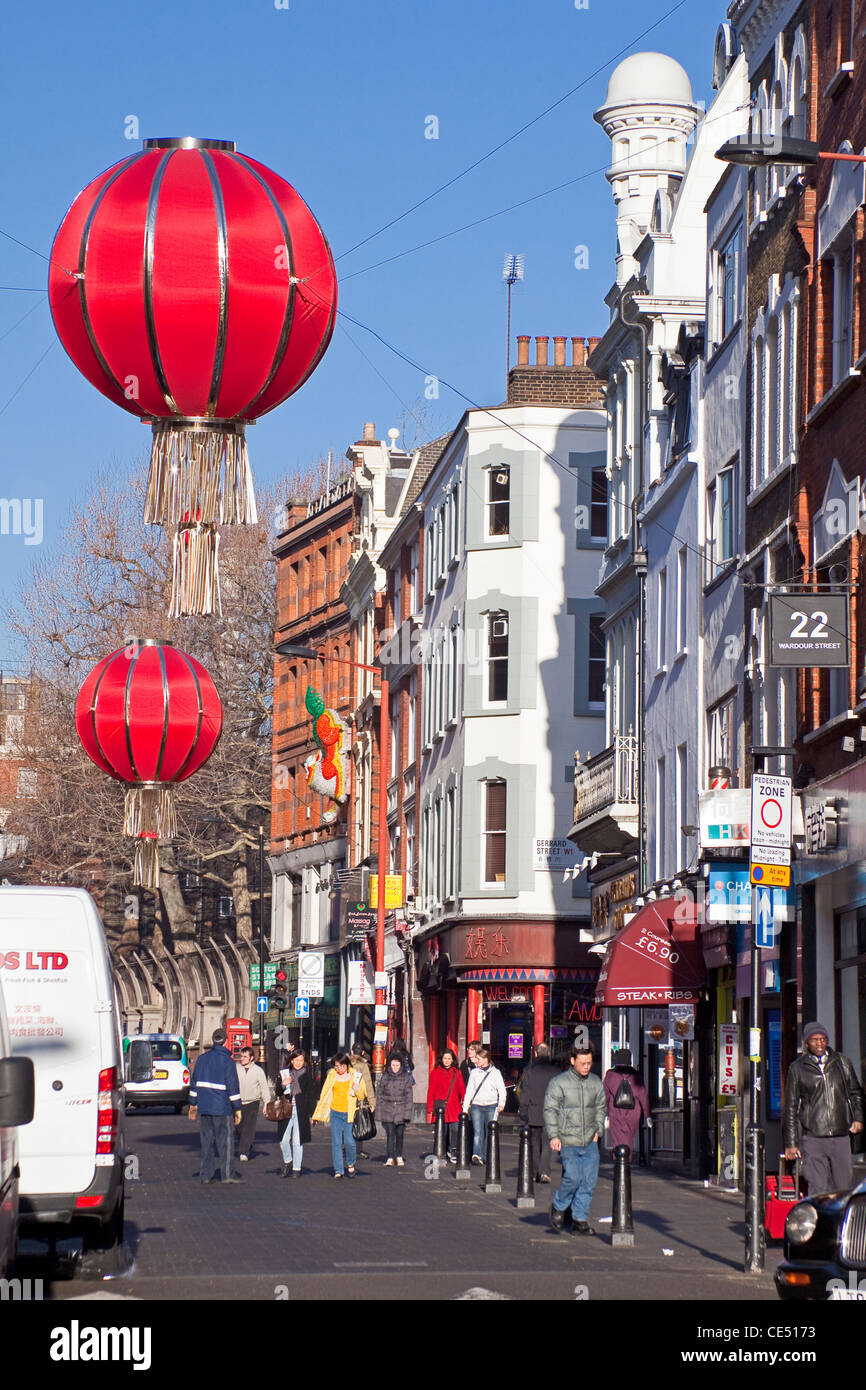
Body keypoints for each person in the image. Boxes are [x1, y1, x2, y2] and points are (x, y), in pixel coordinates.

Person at [784, 1022, 865, 1195]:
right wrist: (791, 1143)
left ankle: (842, 1222)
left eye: (823, 1039)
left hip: (841, 1135)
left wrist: (858, 1118)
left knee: (843, 1189)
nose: (819, 1043)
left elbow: (856, 1092)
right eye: (814, 1040)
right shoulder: (797, 1068)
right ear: (806, 1043)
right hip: (813, 1137)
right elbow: (790, 1107)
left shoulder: (842, 1063)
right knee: (817, 1190)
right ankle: (819, 1222)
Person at [543, 1042, 606, 1234]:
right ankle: (559, 1205)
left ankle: (580, 1219)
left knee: (588, 1181)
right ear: (572, 1061)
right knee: (573, 1176)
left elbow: (600, 1107)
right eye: (583, 1062)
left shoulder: (595, 1082)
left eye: (589, 1062)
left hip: (589, 1140)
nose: (586, 1066)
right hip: (568, 1139)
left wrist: (598, 1130)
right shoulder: (559, 1083)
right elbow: (550, 1109)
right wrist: (554, 1135)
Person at [188, 1027, 244, 1184]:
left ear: (213, 1041)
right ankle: (227, 1174)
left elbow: (194, 1084)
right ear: (226, 1042)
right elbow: (233, 1087)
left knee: (206, 1142)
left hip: (205, 1108)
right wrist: (237, 1108)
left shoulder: (202, 1059)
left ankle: (206, 1175)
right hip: (222, 1108)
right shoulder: (228, 1061)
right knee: (225, 1142)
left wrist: (193, 1105)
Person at [312, 1052, 368, 1178]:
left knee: (349, 1141)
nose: (339, 1069)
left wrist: (357, 1088)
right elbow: (324, 1093)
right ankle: (338, 1170)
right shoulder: (332, 1074)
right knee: (336, 1142)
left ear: (347, 1065)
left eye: (341, 1066)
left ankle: (351, 1164)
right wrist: (317, 1115)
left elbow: (361, 1096)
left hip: (349, 1113)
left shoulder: (355, 1075)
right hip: (335, 1112)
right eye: (336, 1066)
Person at [518, 1043, 560, 1183]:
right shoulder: (556, 1071)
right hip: (551, 1112)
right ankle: (544, 1171)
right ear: (549, 1054)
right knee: (547, 1142)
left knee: (534, 1143)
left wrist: (523, 1111)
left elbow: (526, 1093)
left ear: (536, 1054)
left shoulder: (529, 1071)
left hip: (534, 1110)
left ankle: (536, 1171)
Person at [603, 1048, 651, 1163]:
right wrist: (648, 1115)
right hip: (633, 1112)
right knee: (629, 1139)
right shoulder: (636, 1076)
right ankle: (627, 1162)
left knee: (617, 1140)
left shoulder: (610, 1075)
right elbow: (643, 1096)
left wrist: (605, 1114)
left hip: (615, 1111)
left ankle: (618, 1164)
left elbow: (605, 1096)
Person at [462, 1045, 507, 1165]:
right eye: (476, 1058)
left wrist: (501, 1104)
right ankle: (477, 1155)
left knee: (489, 1132)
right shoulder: (474, 1073)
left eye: (479, 1058)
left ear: (486, 1058)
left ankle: (488, 1156)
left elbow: (502, 1090)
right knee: (477, 1131)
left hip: (491, 1106)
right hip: (476, 1106)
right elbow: (469, 1091)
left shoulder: (495, 1073)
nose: (477, 1061)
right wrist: (465, 1109)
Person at [276, 1049, 315, 1178]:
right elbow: (277, 1091)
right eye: (296, 1060)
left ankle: (296, 1169)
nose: (298, 1063)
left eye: (301, 1060)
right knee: (283, 1140)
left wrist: (312, 1114)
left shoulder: (307, 1075)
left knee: (297, 1141)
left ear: (304, 1062)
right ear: (291, 1060)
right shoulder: (285, 1073)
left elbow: (311, 1095)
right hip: (286, 1110)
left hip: (301, 1111)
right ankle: (288, 1161)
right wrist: (283, 1084)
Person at [427, 1048, 466, 1163]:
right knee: (441, 1131)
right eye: (445, 1058)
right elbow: (431, 1091)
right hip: (441, 1107)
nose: (447, 1061)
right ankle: (441, 1151)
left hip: (454, 1107)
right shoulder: (436, 1072)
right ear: (441, 1059)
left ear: (453, 1060)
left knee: (455, 1129)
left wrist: (465, 1102)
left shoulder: (457, 1072)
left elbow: (462, 1089)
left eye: (449, 1058)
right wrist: (430, 1108)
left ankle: (453, 1150)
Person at [376, 1052, 415, 1166]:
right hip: (388, 1109)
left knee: (400, 1134)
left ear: (401, 1065)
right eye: (393, 1065)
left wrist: (407, 1114)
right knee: (390, 1134)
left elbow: (409, 1097)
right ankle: (390, 1156)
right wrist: (379, 1112)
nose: (395, 1068)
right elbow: (380, 1095)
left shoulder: (406, 1078)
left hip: (401, 1110)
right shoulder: (385, 1077)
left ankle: (399, 1155)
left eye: (397, 1065)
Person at [235, 1046, 271, 1162]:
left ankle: (243, 1152)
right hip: (238, 1102)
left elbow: (264, 1087)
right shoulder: (236, 1068)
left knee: (248, 1128)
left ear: (251, 1058)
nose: (242, 1059)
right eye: (241, 1056)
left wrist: (266, 1103)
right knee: (239, 1127)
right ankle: (247, 1144)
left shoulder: (258, 1070)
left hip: (253, 1102)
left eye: (245, 1056)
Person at [349, 1045, 377, 1158]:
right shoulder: (364, 1065)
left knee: (348, 1123)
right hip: (358, 1099)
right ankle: (358, 1150)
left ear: (351, 1051)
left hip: (346, 1098)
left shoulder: (346, 1063)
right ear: (363, 1052)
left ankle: (347, 1146)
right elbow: (368, 1084)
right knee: (359, 1123)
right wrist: (372, 1102)